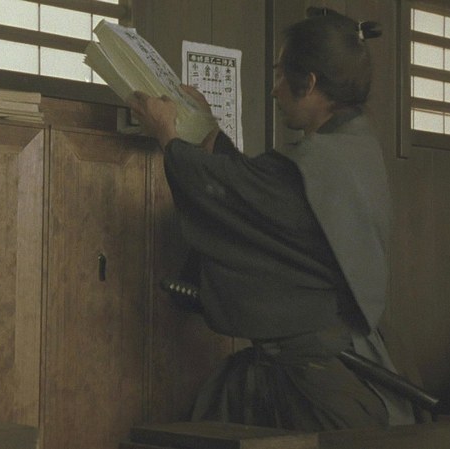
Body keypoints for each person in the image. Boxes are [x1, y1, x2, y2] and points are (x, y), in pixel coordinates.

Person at [128, 7, 416, 432]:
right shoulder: (354, 145)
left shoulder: (320, 161)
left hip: (314, 374)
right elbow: (257, 189)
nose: (275, 90)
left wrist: (168, 137)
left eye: (281, 76)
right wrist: (208, 130)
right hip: (332, 355)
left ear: (310, 83)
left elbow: (248, 195)